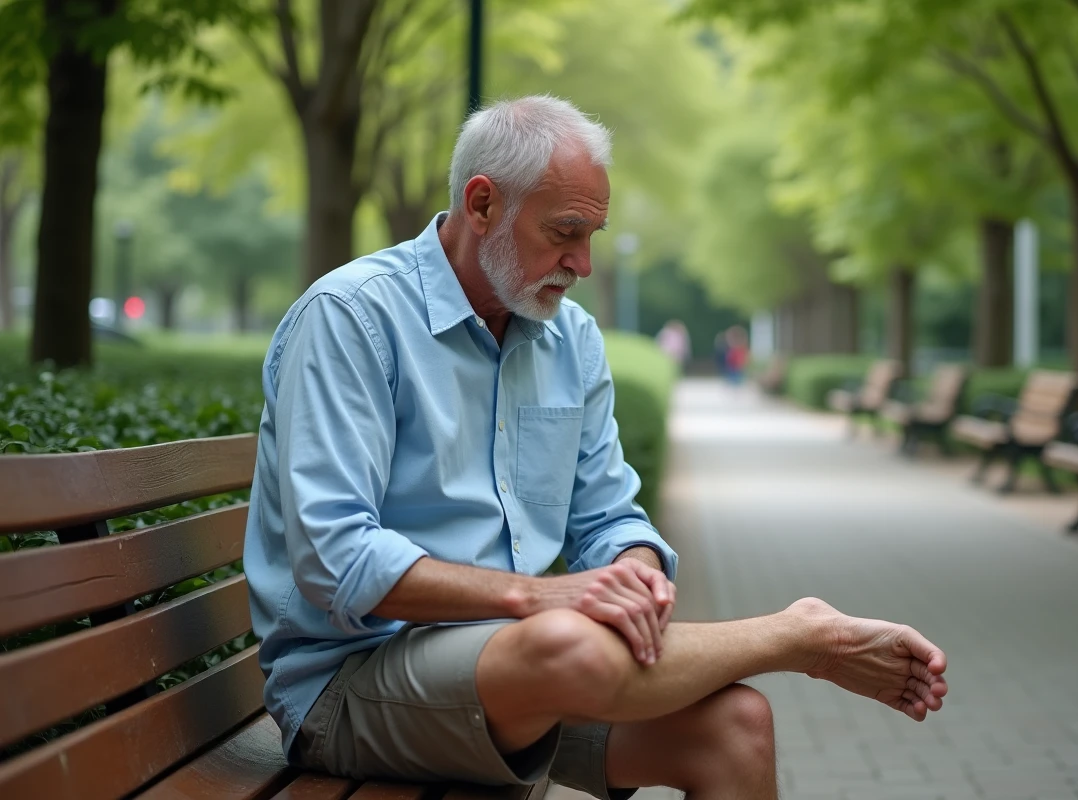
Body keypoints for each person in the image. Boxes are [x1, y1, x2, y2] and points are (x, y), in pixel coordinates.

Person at [243, 95, 948, 800]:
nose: (582, 262)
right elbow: (335, 559)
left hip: (515, 671)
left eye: (593, 235)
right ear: (482, 204)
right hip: (347, 688)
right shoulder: (349, 319)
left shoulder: (570, 340)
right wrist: (541, 595)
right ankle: (802, 639)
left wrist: (633, 575)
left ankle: (791, 638)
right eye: (565, 232)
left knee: (737, 723)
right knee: (566, 640)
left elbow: (609, 518)